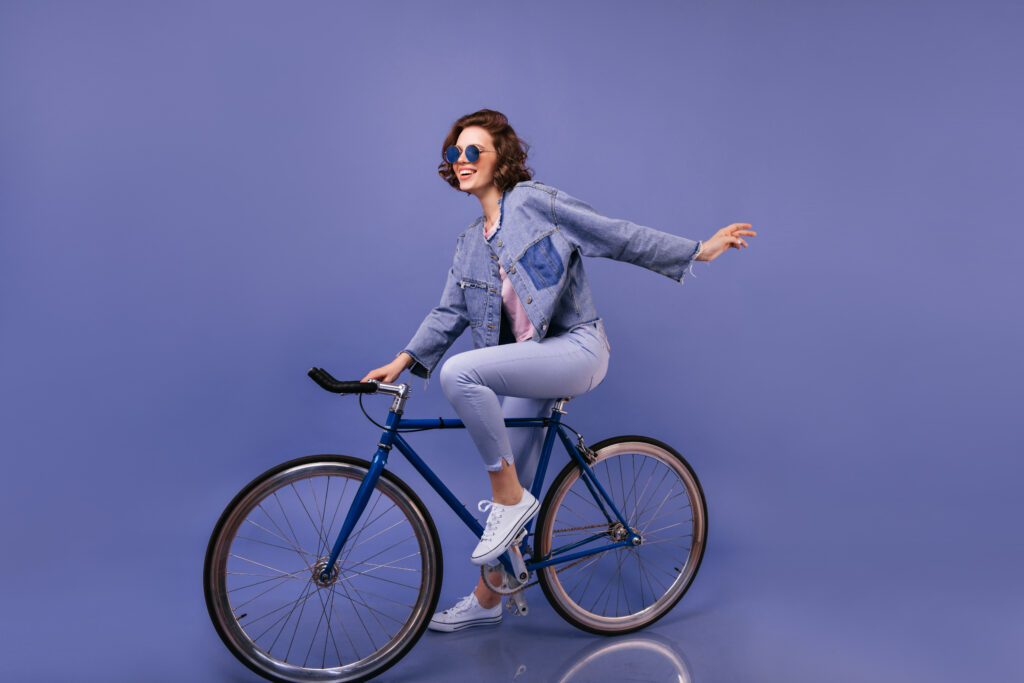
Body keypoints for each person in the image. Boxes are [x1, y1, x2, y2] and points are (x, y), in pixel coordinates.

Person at [362, 109, 755, 632]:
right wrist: (401, 361)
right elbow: (449, 313)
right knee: (509, 504)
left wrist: (697, 251)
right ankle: (488, 600)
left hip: (577, 348)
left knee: (462, 380)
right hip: (532, 364)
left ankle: (510, 501)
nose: (461, 161)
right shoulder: (468, 245)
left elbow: (613, 234)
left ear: (501, 158)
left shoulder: (535, 203)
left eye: (473, 151)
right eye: (454, 153)